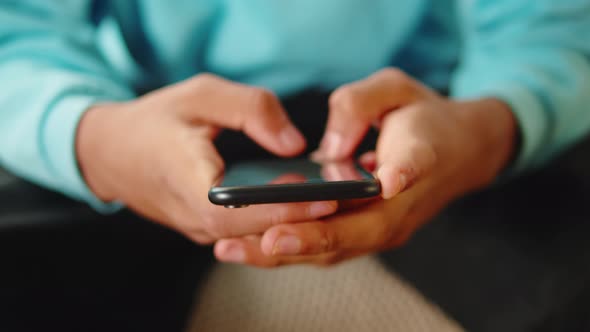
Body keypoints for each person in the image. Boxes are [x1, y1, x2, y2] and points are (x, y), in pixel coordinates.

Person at [0, 1, 589, 270]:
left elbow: (547, 32)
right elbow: (18, 37)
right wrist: (96, 141)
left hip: (425, 114)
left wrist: (481, 135)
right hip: (144, 115)